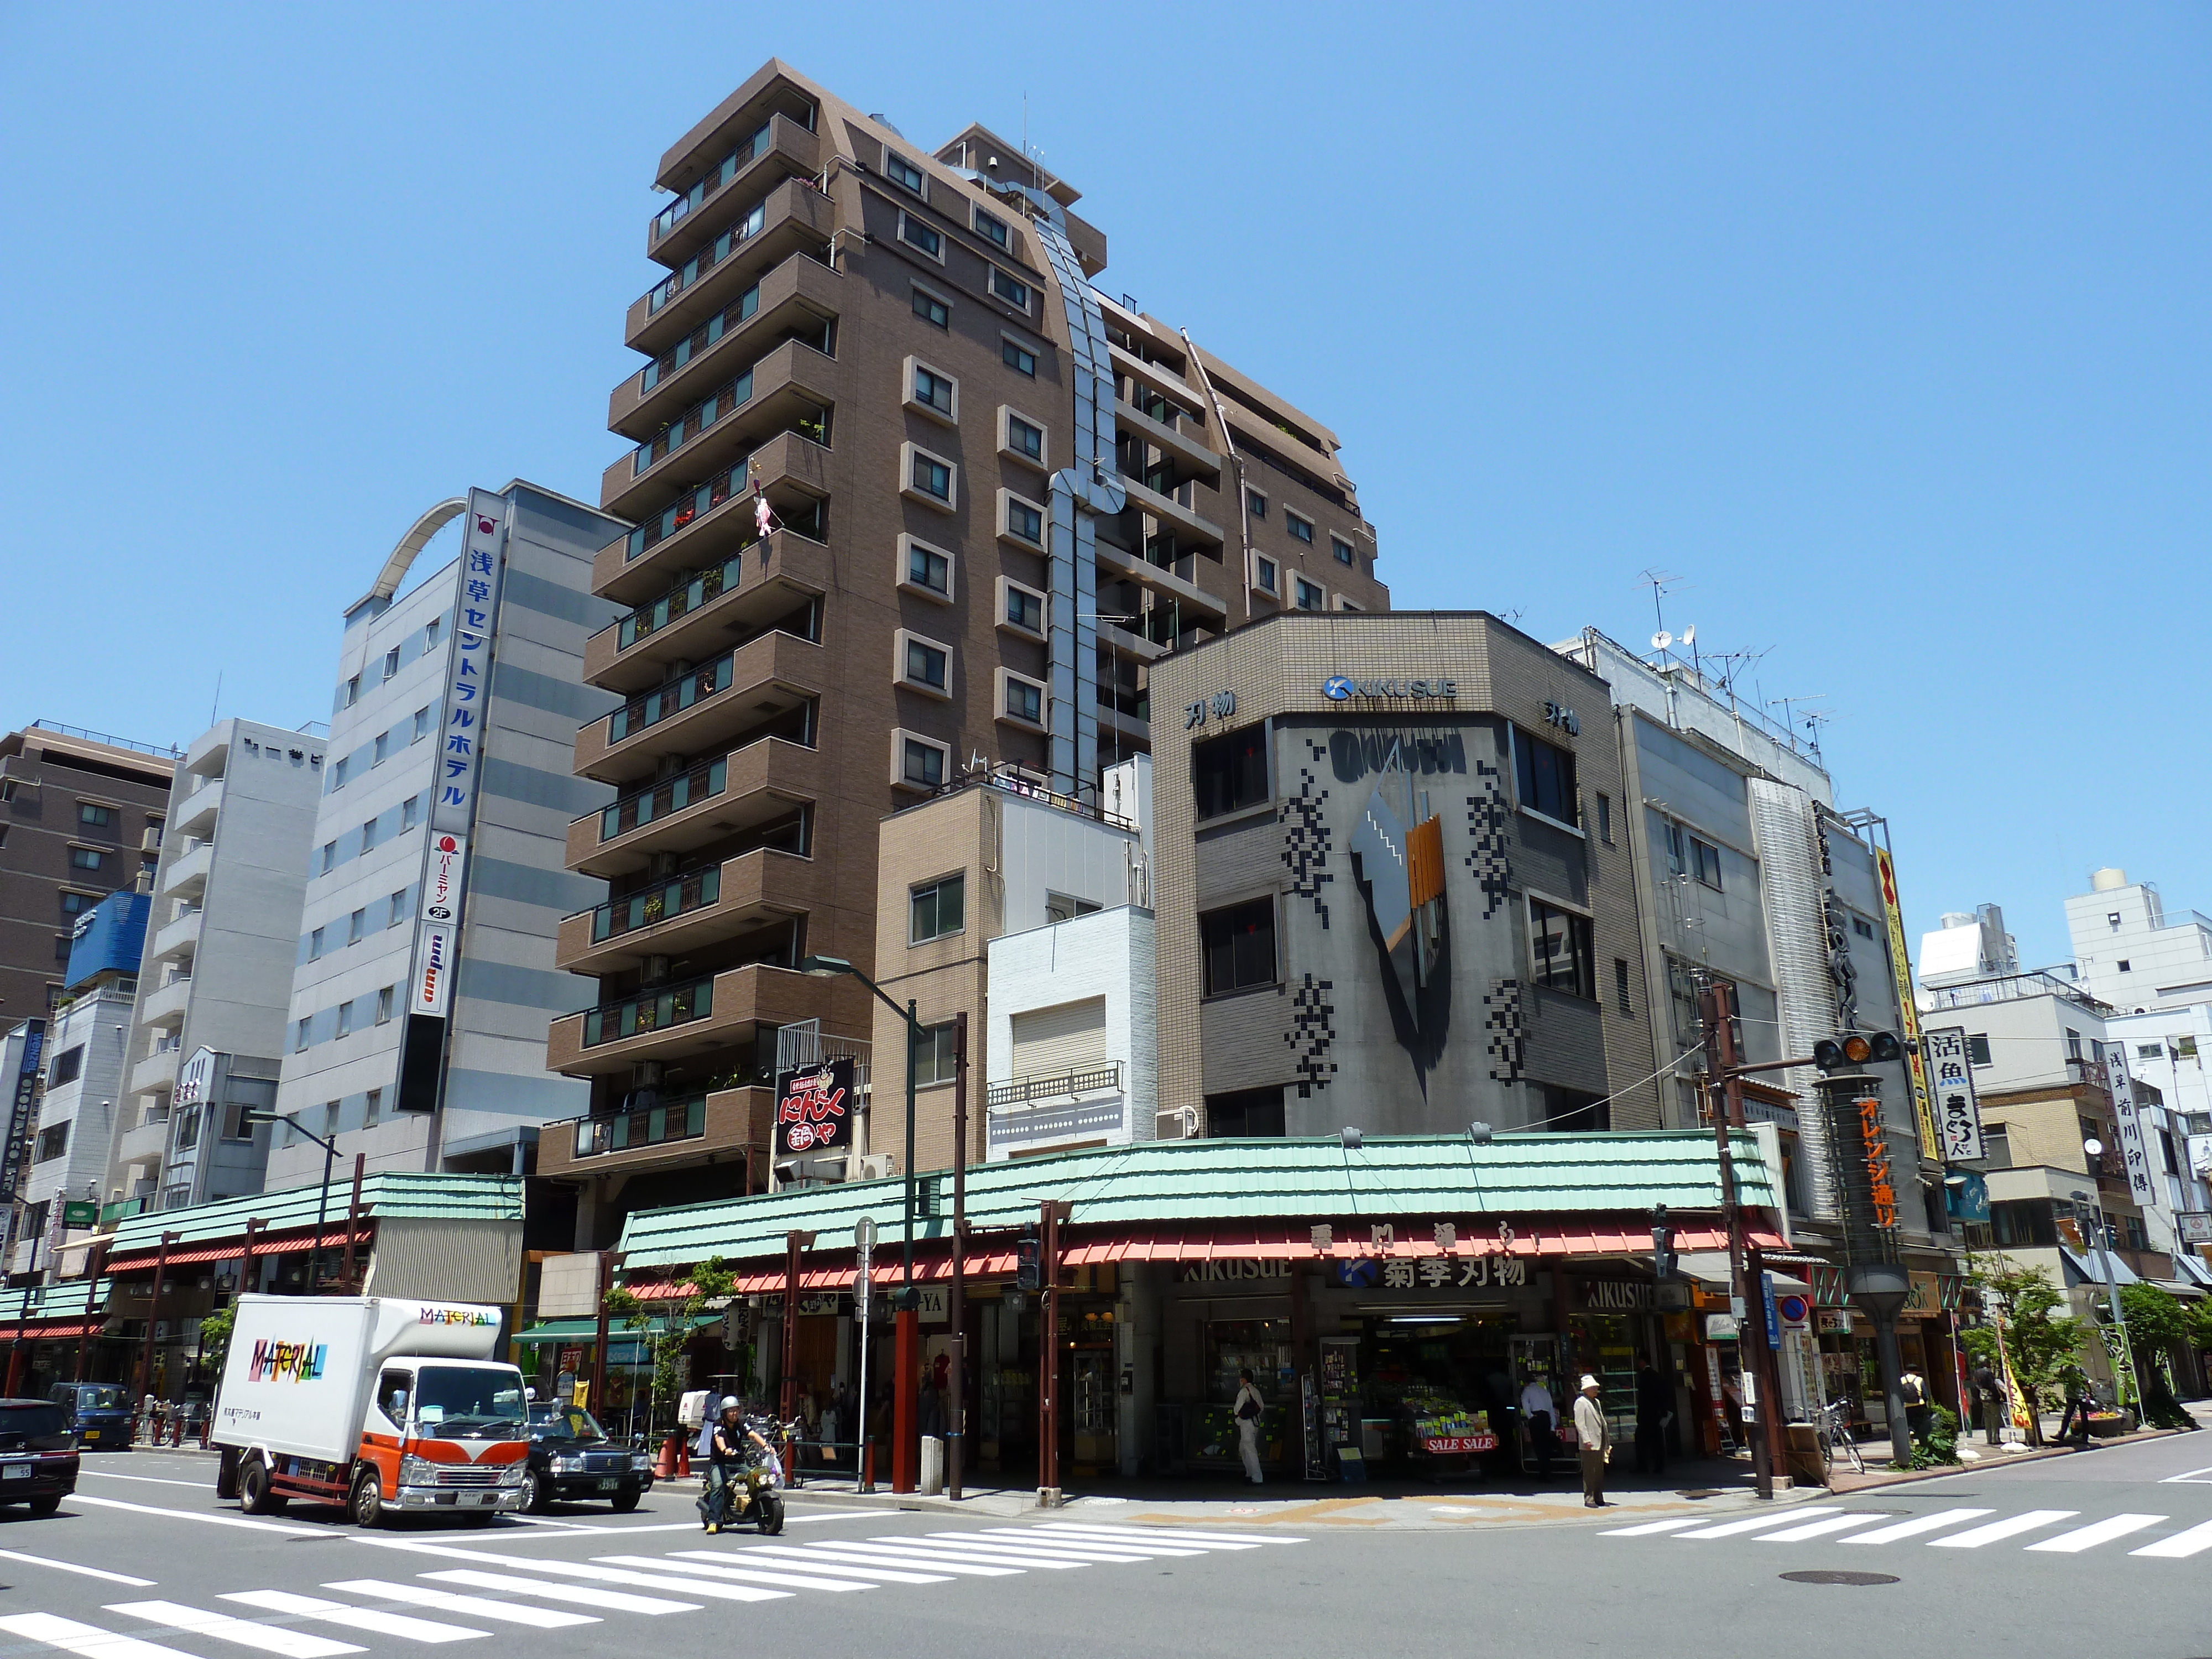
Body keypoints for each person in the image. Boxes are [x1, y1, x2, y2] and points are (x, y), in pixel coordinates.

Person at [700, 1396, 769, 1533]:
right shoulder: (719, 1424)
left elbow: (753, 1435)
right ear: (725, 1413)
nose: (734, 1414)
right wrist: (725, 1450)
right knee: (719, 1485)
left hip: (738, 1462)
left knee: (755, 1478)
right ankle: (714, 1521)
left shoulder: (741, 1423)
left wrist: (766, 1446)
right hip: (720, 1463)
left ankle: (753, 1507)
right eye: (731, 1411)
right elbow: (719, 1438)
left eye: (736, 1410)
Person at [1572, 1375, 1611, 1509]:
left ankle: (1599, 1497)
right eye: (1593, 1388)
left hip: (1600, 1441)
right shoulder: (1581, 1402)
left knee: (1599, 1472)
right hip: (1589, 1443)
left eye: (1596, 1387)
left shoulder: (1597, 1402)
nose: (1596, 1390)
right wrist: (1586, 1439)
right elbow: (1580, 1424)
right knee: (1590, 1472)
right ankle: (1589, 1498)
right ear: (1586, 1389)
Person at [1634, 1359, 1671, 1476]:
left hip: (1646, 1414)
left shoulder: (1643, 1376)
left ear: (1643, 1362)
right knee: (1658, 1441)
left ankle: (1643, 1466)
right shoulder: (1657, 1375)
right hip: (1656, 1414)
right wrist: (1663, 1410)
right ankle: (1659, 1466)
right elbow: (1663, 1393)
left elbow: (1643, 1398)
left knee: (1641, 1441)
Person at [1520, 1373, 1558, 1478]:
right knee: (1546, 1446)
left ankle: (1543, 1473)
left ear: (1527, 1383)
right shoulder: (1544, 1391)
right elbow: (1551, 1408)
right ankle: (1547, 1472)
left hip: (1536, 1417)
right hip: (1546, 1418)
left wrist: (1530, 1416)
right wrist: (1552, 1426)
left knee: (1538, 1446)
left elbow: (1525, 1403)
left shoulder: (1527, 1390)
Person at [1233, 1369, 1266, 1486]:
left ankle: (1257, 1477)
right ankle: (1250, 1473)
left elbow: (1237, 1409)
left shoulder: (1243, 1392)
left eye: (1241, 1378)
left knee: (1250, 1450)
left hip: (1246, 1424)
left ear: (1244, 1379)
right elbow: (1261, 1407)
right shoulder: (1256, 1391)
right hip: (1255, 1422)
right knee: (1243, 1448)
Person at [1898, 1365, 1931, 1442]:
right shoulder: (1919, 1380)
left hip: (1907, 1405)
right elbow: (1925, 1394)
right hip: (1919, 1404)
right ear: (1916, 1371)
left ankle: (1911, 1432)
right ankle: (1920, 1438)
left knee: (1909, 1421)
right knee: (1920, 1421)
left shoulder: (1902, 1380)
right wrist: (1925, 1403)